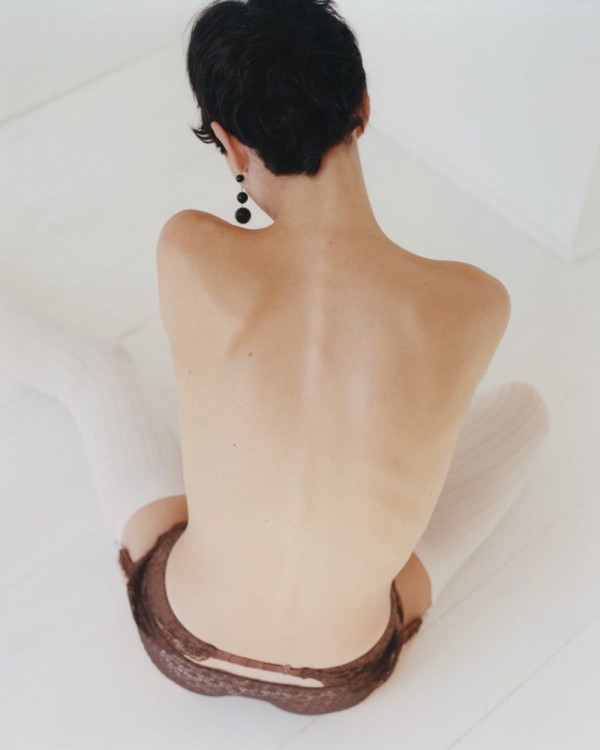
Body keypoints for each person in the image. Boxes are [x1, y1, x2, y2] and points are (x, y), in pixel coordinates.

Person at [0, 0, 551, 715]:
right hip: (340, 674)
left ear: (230, 144)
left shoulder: (190, 249)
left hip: (183, 636)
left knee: (96, 374)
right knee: (528, 411)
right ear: (363, 106)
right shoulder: (477, 303)